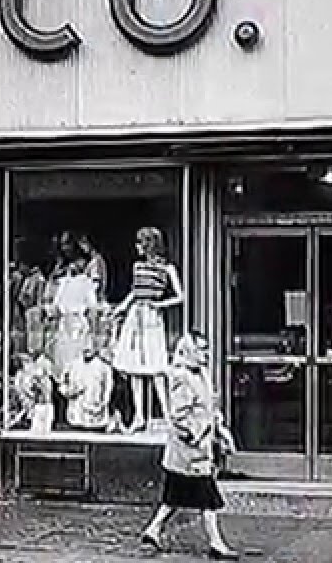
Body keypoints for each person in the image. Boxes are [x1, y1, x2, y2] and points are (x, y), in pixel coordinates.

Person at [140, 334, 239, 560]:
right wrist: (195, 435)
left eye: (206, 349)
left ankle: (153, 529)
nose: (205, 354)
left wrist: (220, 431)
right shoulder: (181, 377)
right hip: (189, 451)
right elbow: (179, 415)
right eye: (201, 349)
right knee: (207, 498)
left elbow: (210, 405)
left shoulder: (201, 374)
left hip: (198, 449)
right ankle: (216, 543)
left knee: (175, 496)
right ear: (188, 351)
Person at [110, 226, 183, 433]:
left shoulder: (167, 269)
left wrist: (159, 305)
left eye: (141, 243)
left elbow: (180, 297)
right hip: (136, 315)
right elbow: (134, 292)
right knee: (134, 368)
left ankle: (168, 417)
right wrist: (121, 309)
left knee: (156, 367)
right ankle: (139, 416)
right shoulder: (137, 267)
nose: (137, 247)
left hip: (152, 316)